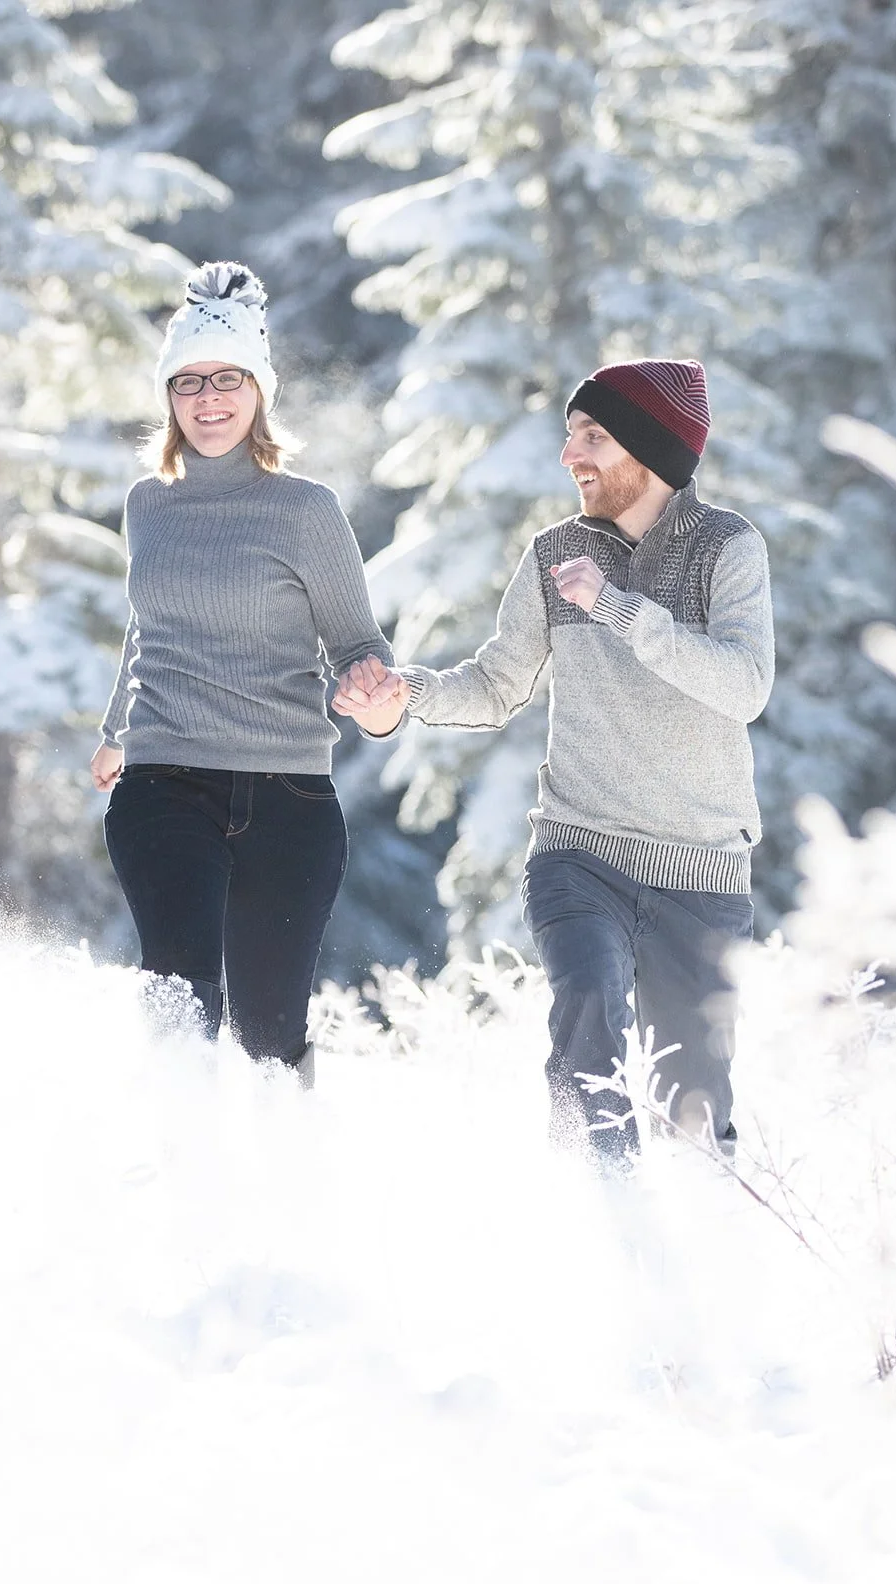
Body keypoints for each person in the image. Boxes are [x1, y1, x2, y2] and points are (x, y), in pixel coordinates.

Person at [335, 359, 774, 1161]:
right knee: (586, 1012)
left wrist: (613, 606)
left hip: (701, 873)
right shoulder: (554, 555)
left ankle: (702, 1248)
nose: (571, 455)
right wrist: (406, 697)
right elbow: (497, 684)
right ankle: (595, 1205)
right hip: (580, 852)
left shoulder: (727, 549)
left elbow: (743, 687)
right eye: (571, 434)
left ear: (651, 449)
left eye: (593, 437)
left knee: (695, 1109)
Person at [92, 262, 397, 1083]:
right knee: (181, 996)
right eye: (188, 381)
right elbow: (145, 623)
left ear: (259, 390)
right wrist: (115, 732)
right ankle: (179, 1164)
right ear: (168, 398)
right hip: (164, 779)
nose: (208, 397)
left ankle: (280, 1180)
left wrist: (374, 697)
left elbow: (358, 642)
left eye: (227, 377)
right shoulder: (147, 503)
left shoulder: (305, 510)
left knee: (269, 1039)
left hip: (286, 791)